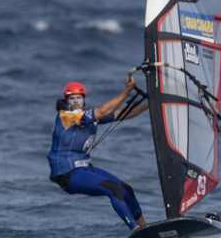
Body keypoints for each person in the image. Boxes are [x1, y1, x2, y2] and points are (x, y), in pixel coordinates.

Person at [48, 78, 150, 230]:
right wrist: (126, 92)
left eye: (79, 98)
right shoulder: (66, 116)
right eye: (72, 98)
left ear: (84, 100)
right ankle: (135, 230)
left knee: (126, 190)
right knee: (113, 189)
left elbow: (122, 114)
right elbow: (102, 111)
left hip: (84, 169)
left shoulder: (88, 117)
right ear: (66, 101)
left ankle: (145, 228)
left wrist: (149, 105)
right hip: (67, 174)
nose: (76, 101)